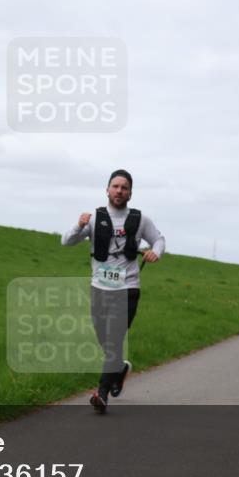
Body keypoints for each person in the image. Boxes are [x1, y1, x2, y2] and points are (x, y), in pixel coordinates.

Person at [61, 170, 165, 414]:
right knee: (103, 339)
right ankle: (119, 369)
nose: (119, 191)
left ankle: (102, 393)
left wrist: (155, 252)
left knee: (114, 340)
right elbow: (66, 241)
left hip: (127, 288)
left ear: (130, 192)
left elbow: (159, 240)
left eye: (124, 187)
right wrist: (78, 225)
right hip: (99, 288)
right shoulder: (95, 218)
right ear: (107, 190)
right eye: (115, 186)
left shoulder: (141, 220)